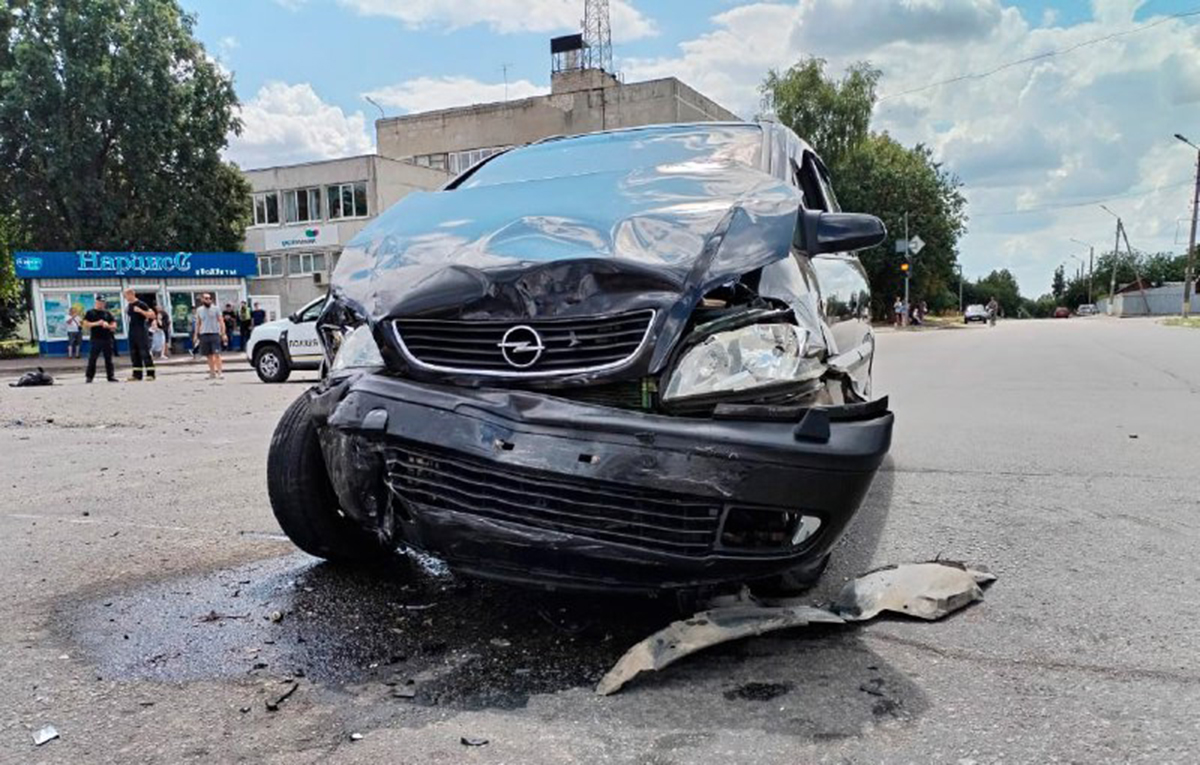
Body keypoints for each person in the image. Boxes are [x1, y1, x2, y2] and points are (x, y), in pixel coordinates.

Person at [82, 296, 119, 383]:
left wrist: (108, 326)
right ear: (96, 302)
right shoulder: (90, 312)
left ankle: (111, 376)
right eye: (99, 302)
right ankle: (89, 377)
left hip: (107, 338)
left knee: (108, 359)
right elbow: (85, 324)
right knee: (93, 358)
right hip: (96, 339)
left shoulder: (107, 313)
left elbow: (114, 325)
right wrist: (97, 323)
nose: (101, 304)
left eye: (103, 302)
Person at [123, 289, 157, 381]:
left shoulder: (141, 304)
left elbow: (152, 315)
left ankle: (151, 374)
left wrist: (141, 311)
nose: (124, 297)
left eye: (125, 295)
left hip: (141, 330)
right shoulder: (129, 305)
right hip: (132, 330)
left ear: (131, 294)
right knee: (134, 353)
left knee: (144, 352)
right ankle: (137, 375)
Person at [194, 292, 227, 379]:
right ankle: (212, 373)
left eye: (209, 298)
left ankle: (220, 372)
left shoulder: (216, 309)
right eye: (206, 298)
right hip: (204, 334)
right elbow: (198, 323)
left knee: (217, 354)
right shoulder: (199, 310)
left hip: (215, 334)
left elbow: (221, 321)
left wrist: (223, 334)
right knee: (209, 355)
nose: (208, 300)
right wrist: (196, 335)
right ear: (202, 300)